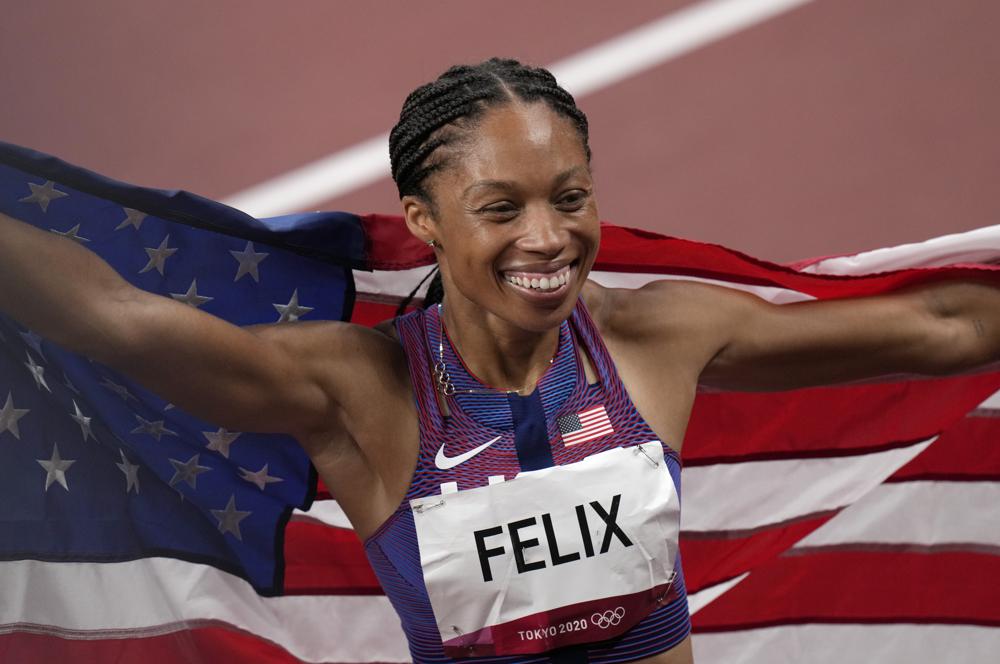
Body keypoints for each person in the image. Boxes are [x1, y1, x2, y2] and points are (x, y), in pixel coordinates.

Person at [1, 58, 998, 663]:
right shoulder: (361, 394)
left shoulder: (657, 339)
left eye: (570, 196)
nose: (548, 237)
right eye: (501, 208)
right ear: (426, 222)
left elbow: (947, 330)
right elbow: (116, 320)